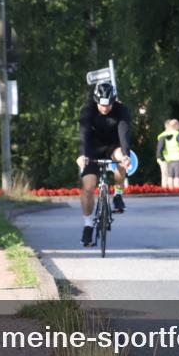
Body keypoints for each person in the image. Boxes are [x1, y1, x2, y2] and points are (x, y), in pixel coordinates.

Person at [75, 82, 132, 246]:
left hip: (113, 146)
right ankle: (87, 225)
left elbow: (124, 133)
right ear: (96, 100)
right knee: (88, 187)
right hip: (92, 148)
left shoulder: (122, 110)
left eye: (109, 105)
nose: (105, 108)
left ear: (114, 101)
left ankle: (118, 194)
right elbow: (84, 133)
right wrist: (82, 155)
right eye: (101, 104)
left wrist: (126, 155)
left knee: (122, 156)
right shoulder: (88, 110)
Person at [157, 118, 179, 190]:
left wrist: (160, 157)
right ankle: (177, 192)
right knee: (178, 177)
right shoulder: (178, 134)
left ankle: (171, 192)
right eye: (178, 124)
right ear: (176, 125)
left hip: (169, 159)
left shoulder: (165, 135)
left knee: (170, 177)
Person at [155, 119, 173, 188]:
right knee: (165, 175)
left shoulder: (168, 134)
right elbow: (160, 149)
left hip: (167, 158)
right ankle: (165, 190)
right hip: (163, 159)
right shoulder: (164, 135)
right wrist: (162, 158)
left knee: (167, 175)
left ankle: (167, 190)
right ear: (168, 126)